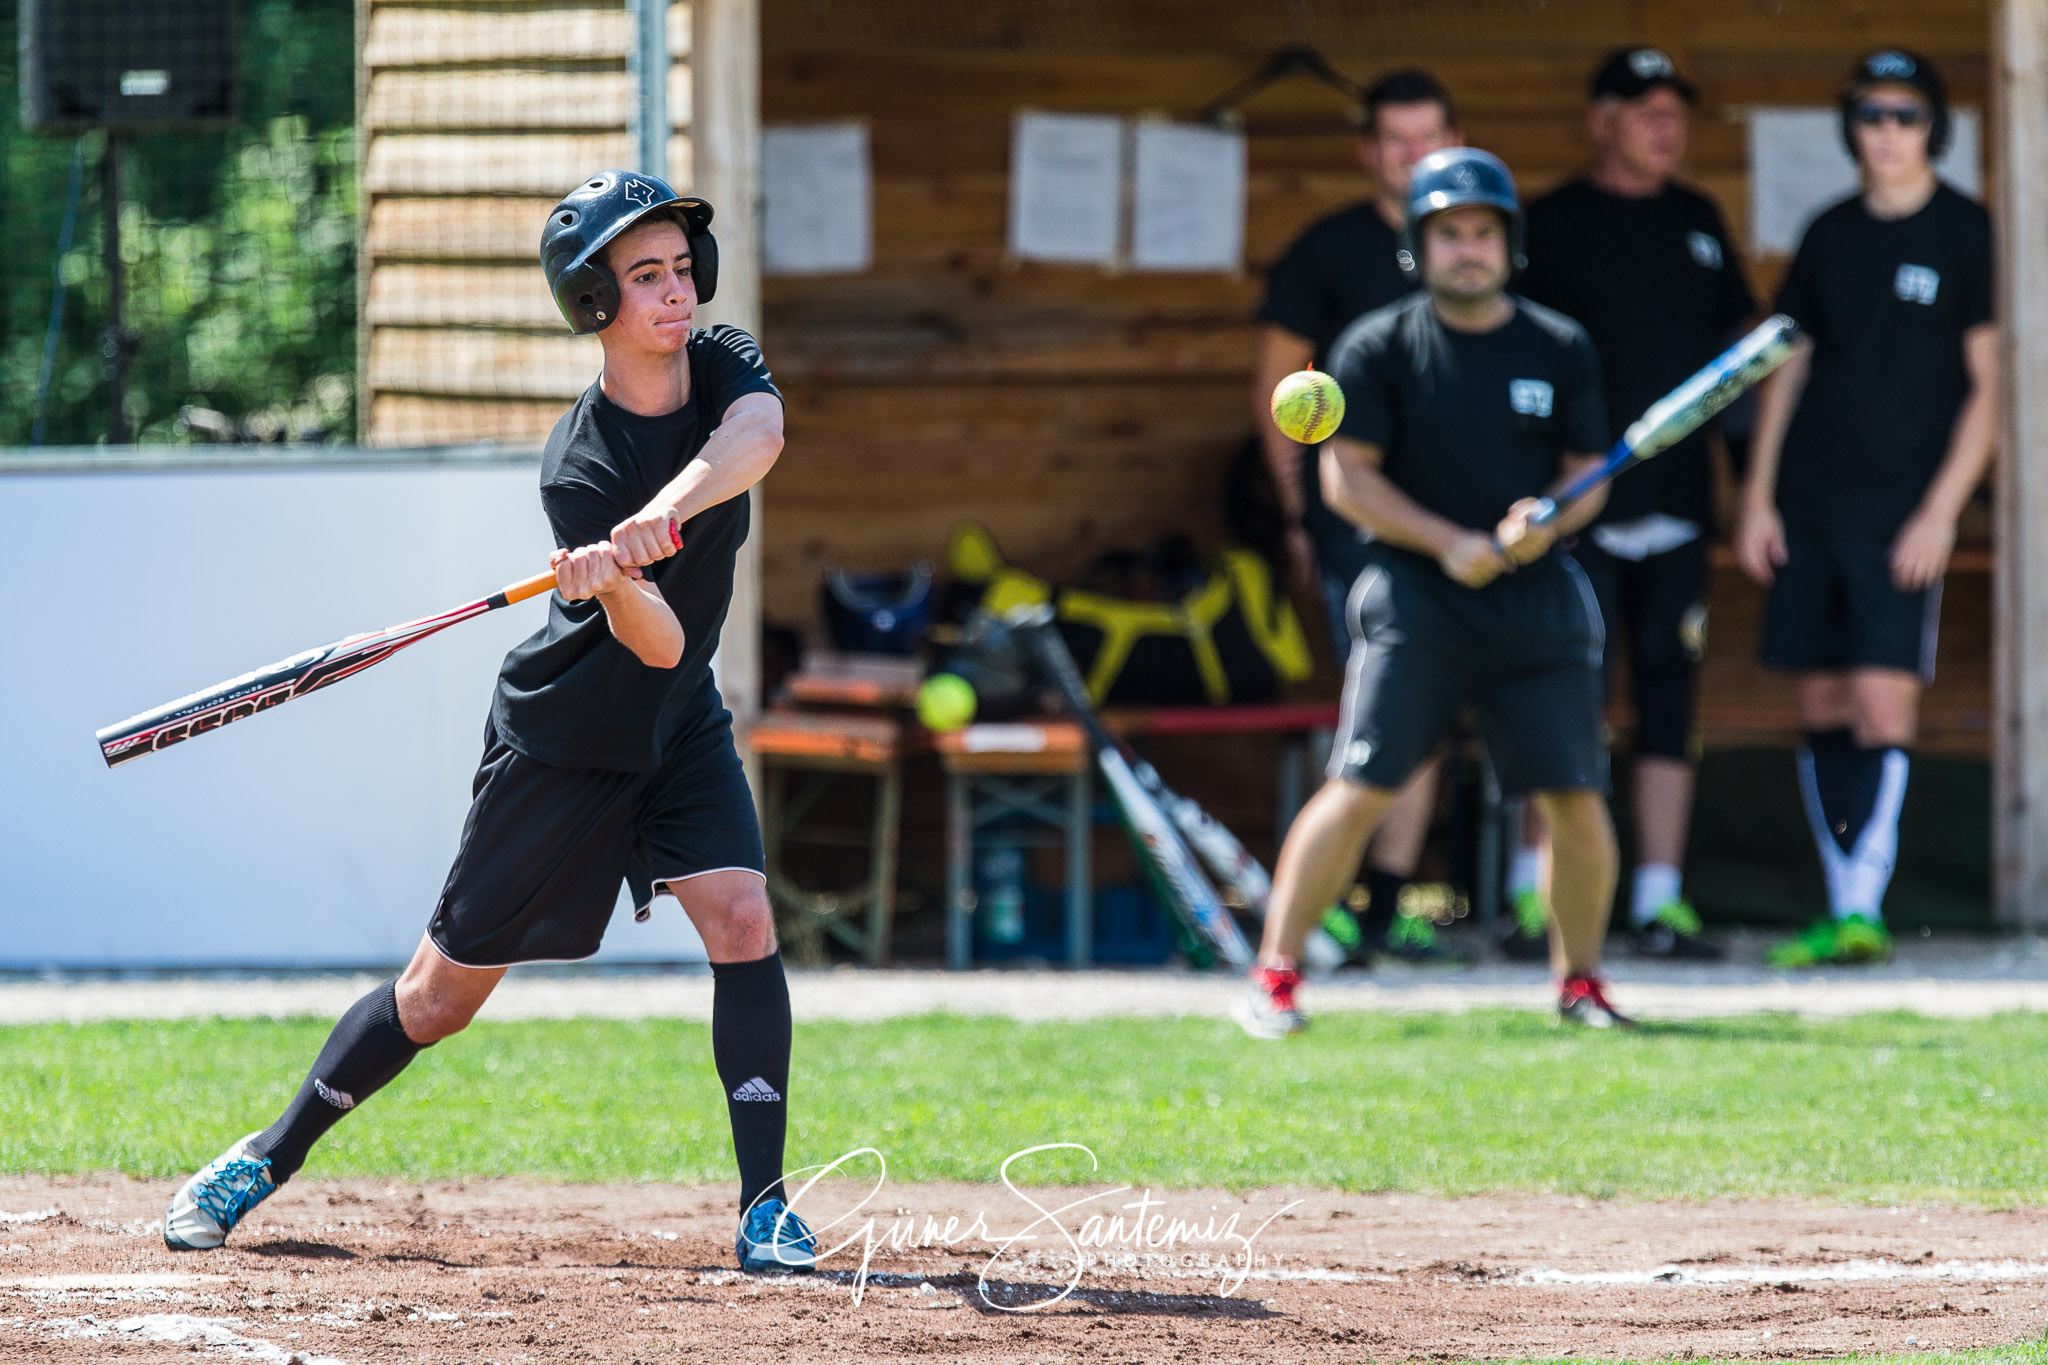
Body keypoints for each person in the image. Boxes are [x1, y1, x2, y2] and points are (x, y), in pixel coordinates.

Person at [162, 171, 818, 1274]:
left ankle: (765, 1206)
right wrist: (611, 580)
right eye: (644, 275)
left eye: (679, 268)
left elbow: (761, 435)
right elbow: (650, 641)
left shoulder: (721, 365)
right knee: (437, 999)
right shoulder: (580, 463)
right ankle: (263, 1158)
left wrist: (655, 521)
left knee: (744, 921)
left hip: (680, 725)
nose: (676, 292)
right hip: (564, 743)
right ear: (593, 303)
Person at [1236, 148, 1629, 1038]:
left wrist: (1549, 516)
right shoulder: (1374, 346)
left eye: (1483, 231)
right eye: (1449, 232)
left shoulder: (1559, 345)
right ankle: (1277, 975)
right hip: (1416, 598)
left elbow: (1587, 474)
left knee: (1573, 793)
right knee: (1362, 781)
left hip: (1537, 600)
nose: (1468, 248)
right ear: (1420, 244)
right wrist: (1450, 543)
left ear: (1508, 242)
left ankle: (1581, 984)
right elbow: (1346, 483)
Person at [1736, 51, 1996, 968]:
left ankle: (1864, 906)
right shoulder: (1828, 233)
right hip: (1807, 501)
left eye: (1907, 115)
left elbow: (1989, 391)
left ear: (1934, 127)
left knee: (1886, 699)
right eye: (1873, 115)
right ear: (1853, 127)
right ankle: (1841, 899)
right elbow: (1788, 365)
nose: (1889, 132)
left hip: (1901, 511)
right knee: (1821, 695)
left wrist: (1941, 510)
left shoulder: (1969, 233)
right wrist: (1758, 495)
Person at [1517, 48, 1757, 960]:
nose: (1667, 127)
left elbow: (1736, 367)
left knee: (1668, 701)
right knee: (1564, 701)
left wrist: (1747, 494)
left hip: (1679, 510)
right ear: (1601, 119)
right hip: (1576, 515)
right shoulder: (1549, 224)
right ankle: (1534, 900)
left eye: (1675, 112)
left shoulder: (1699, 220)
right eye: (1645, 109)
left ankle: (1659, 899)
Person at [1252, 68, 1464, 964]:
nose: (1410, 155)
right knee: (1382, 708)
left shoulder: (1476, 247)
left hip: (1461, 528)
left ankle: (1384, 901)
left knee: (1437, 716)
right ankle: (1335, 909)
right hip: (1353, 523)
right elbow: (1277, 386)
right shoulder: (1327, 250)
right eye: (1394, 139)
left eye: (1427, 137)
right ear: (1368, 151)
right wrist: (1301, 516)